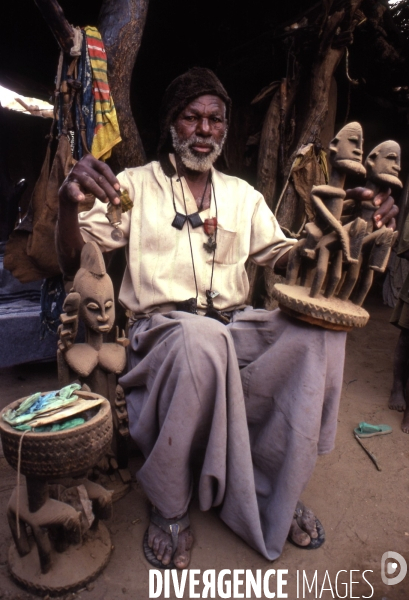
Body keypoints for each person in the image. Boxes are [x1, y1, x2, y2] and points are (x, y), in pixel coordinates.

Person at [57, 68, 398, 569]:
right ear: (172, 123)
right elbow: (73, 262)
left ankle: (273, 486)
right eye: (192, 117)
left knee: (319, 337)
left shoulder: (243, 196)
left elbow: (285, 253)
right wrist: (69, 206)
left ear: (224, 127)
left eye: (215, 119)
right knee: (201, 340)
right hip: (164, 333)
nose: (204, 129)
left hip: (236, 326)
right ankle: (170, 504)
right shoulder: (132, 188)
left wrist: (351, 224)